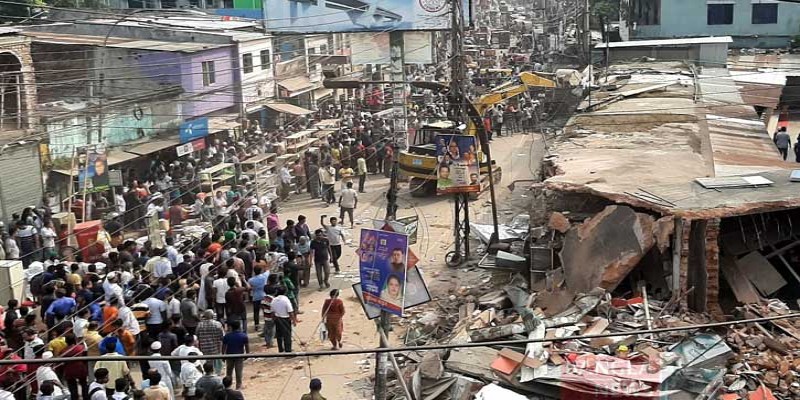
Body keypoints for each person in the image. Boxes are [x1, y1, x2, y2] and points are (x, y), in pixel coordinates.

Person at [221, 320, 248, 390]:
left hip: (229, 356)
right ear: (239, 326)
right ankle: (238, 386)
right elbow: (247, 346)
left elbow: (223, 347)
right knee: (239, 371)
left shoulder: (227, 336)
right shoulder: (244, 336)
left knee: (229, 371)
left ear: (231, 327)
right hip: (239, 356)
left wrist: (223, 356)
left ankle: (227, 385)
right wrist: (247, 355)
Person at [272, 286, 297, 353]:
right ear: (285, 292)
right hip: (285, 319)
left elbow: (272, 312)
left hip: (277, 319)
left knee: (279, 335)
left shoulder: (274, 300)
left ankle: (281, 350)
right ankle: (288, 350)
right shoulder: (285, 299)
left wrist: (274, 319)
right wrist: (294, 320)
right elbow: (290, 311)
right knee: (287, 335)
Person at [247, 266, 269, 333]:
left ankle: (256, 325)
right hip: (264, 296)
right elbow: (268, 270)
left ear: (254, 271)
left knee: (256, 312)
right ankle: (266, 324)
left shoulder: (251, 280)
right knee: (265, 311)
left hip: (256, 297)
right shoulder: (264, 276)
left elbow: (249, 288)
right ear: (261, 270)